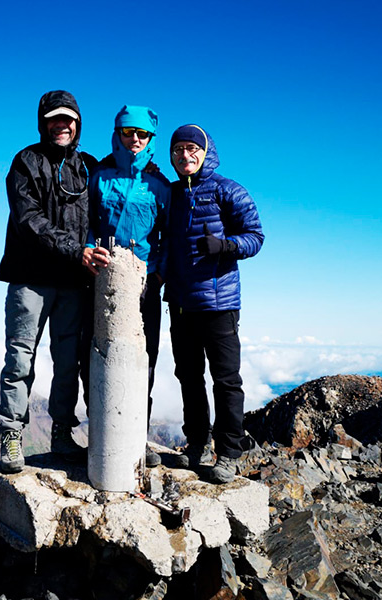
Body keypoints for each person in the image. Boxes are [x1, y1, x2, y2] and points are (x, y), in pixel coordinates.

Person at [0, 90, 98, 473]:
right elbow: (28, 220)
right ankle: (11, 433)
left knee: (67, 361)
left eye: (68, 119)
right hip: (31, 278)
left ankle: (62, 432)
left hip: (72, 281)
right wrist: (76, 251)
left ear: (78, 124)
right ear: (43, 122)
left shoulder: (87, 166)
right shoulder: (26, 161)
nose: (62, 125)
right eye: (55, 119)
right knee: (20, 358)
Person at [164, 124, 263, 484]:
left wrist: (226, 246)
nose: (185, 155)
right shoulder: (171, 194)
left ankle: (229, 454)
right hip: (180, 303)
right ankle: (196, 445)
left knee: (226, 380)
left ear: (206, 152)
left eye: (192, 148)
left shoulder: (227, 190)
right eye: (178, 149)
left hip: (220, 303)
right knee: (189, 377)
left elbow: (256, 236)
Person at [82, 105, 171, 467]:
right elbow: (85, 221)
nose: (135, 139)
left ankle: (137, 438)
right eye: (128, 132)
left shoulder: (160, 186)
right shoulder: (99, 177)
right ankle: (100, 434)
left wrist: (158, 273)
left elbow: (168, 236)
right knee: (94, 354)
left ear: (151, 138)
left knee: (142, 360)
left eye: (142, 134)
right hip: (100, 278)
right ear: (117, 134)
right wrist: (89, 248)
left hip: (144, 284)